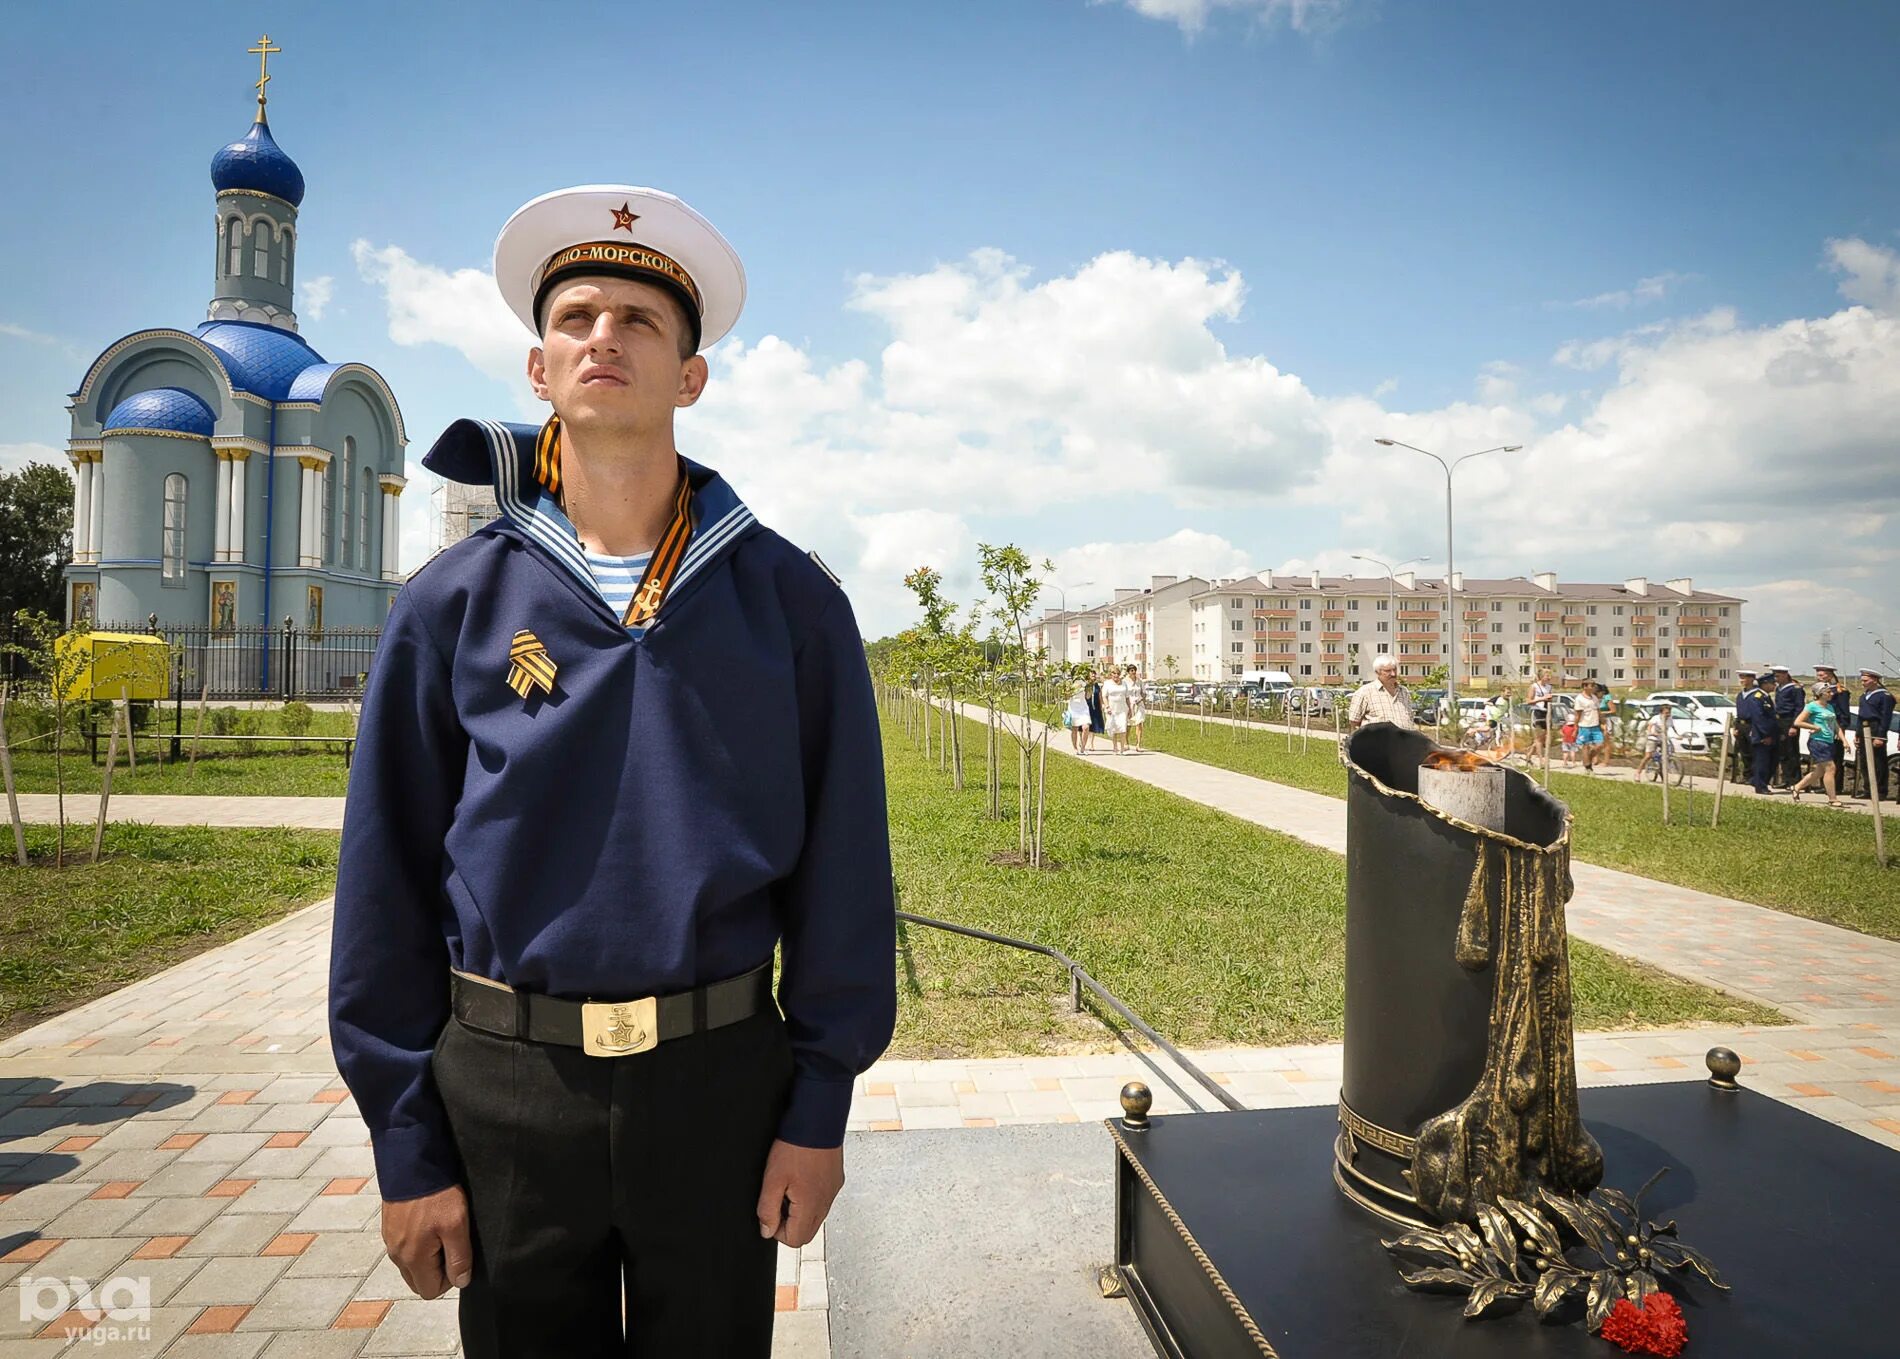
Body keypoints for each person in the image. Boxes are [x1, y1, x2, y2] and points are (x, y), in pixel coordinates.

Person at [328, 184, 897, 1358]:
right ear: (540, 370)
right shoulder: (455, 601)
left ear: (691, 377)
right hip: (506, 1086)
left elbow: (846, 873)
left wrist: (819, 1105)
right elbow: (381, 880)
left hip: (720, 1089)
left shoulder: (792, 602)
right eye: (577, 316)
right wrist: (406, 1142)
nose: (604, 336)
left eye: (640, 321)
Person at [1790, 681, 1843, 806]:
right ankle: (1832, 798)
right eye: (1828, 692)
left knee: (1819, 771)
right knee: (1831, 768)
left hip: (1829, 741)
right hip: (1818, 741)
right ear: (1820, 694)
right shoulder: (1811, 706)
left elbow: (1835, 725)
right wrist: (1814, 727)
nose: (1831, 694)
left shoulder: (1830, 707)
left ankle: (1797, 787)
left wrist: (1844, 740)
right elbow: (1798, 722)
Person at [1737, 670, 1780, 794]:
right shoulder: (1757, 698)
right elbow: (1759, 718)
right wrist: (1765, 735)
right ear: (1765, 684)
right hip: (1761, 735)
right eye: (1772, 683)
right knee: (1762, 761)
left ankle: (1759, 782)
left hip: (1769, 734)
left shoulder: (1764, 697)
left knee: (1770, 761)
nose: (1774, 686)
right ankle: (1760, 786)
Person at [1856, 667, 1895, 801]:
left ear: (1874, 680)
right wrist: (1857, 733)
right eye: (1862, 680)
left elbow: (1885, 717)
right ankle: (1868, 789)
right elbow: (1860, 716)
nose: (1863, 683)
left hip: (1876, 728)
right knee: (1865, 762)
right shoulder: (1863, 696)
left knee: (1878, 762)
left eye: (1865, 680)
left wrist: (1880, 736)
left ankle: (1880, 790)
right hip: (1864, 728)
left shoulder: (1884, 696)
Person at [1347, 655, 1416, 730]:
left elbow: (1410, 718)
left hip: (1404, 740)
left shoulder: (1404, 691)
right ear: (1377, 672)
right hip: (1377, 741)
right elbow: (1354, 722)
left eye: (1394, 670)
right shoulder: (1365, 692)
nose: (1393, 674)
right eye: (1388, 671)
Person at [1771, 664, 1803, 788]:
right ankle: (1786, 779)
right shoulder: (1779, 688)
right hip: (1780, 721)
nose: (1776, 678)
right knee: (1782, 752)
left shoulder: (1795, 688)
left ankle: (1794, 780)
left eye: (1778, 676)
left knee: (1791, 752)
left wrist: (1794, 725)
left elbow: (1799, 708)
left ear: (1785, 675)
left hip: (1790, 721)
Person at [1729, 668, 1758, 784]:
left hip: (1752, 726)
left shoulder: (1757, 694)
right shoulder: (1740, 695)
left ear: (1751, 679)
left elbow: (1758, 714)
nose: (1741, 680)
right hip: (1741, 726)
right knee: (1744, 753)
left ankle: (1754, 777)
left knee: (1753, 753)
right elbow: (1739, 712)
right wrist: (1736, 727)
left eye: (1744, 677)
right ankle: (1747, 775)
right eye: (1740, 677)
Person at [1572, 680, 1607, 772]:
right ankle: (1588, 768)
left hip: (1595, 726)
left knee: (1600, 745)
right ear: (1585, 687)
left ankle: (1588, 759)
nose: (1594, 687)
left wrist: (1603, 722)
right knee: (1585, 746)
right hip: (1584, 726)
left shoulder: (1594, 697)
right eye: (1592, 685)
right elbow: (1578, 715)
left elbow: (1598, 711)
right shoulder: (1579, 699)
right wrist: (1575, 728)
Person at [1102, 666, 1131, 754]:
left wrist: (1129, 708)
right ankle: (1115, 748)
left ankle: (1122, 749)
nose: (1116, 675)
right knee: (1113, 728)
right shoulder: (1107, 683)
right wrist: (1107, 706)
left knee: (1123, 728)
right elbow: (1104, 696)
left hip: (1122, 709)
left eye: (1118, 674)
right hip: (1111, 709)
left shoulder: (1124, 683)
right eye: (1114, 673)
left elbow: (1127, 697)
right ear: (1111, 674)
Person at [1065, 675, 1092, 754]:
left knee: (1086, 727)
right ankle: (1075, 748)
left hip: (1083, 708)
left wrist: (1089, 688)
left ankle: (1083, 747)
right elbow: (1066, 697)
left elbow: (1088, 696)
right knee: (1074, 728)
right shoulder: (1070, 683)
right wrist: (1069, 689)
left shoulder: (1085, 684)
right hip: (1073, 707)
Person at [1125, 665, 1148, 752]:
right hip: (1129, 705)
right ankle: (1126, 742)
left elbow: (1144, 692)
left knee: (1139, 724)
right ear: (1128, 672)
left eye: (1134, 670)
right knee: (1129, 724)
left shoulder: (1139, 681)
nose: (1133, 672)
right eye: (1131, 670)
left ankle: (1138, 744)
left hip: (1139, 704)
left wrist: (1142, 700)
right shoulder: (1125, 682)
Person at [1086, 669, 1106, 751]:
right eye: (1092, 675)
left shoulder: (1097, 685)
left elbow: (1100, 696)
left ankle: (1091, 744)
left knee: (1093, 726)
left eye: (1094, 675)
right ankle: (1081, 740)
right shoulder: (1086, 685)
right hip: (1087, 707)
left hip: (1095, 708)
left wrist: (1102, 705)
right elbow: (1086, 696)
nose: (1094, 677)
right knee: (1084, 725)